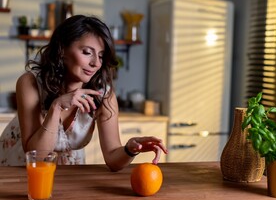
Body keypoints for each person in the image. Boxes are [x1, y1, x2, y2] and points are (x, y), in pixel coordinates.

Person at [0, 15, 167, 170]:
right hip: (21, 168)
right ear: (62, 49)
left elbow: (112, 158)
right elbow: (37, 155)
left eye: (101, 56)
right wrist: (56, 106)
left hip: (69, 173)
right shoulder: (30, 84)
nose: (95, 63)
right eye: (87, 52)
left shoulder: (103, 96)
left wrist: (129, 150)